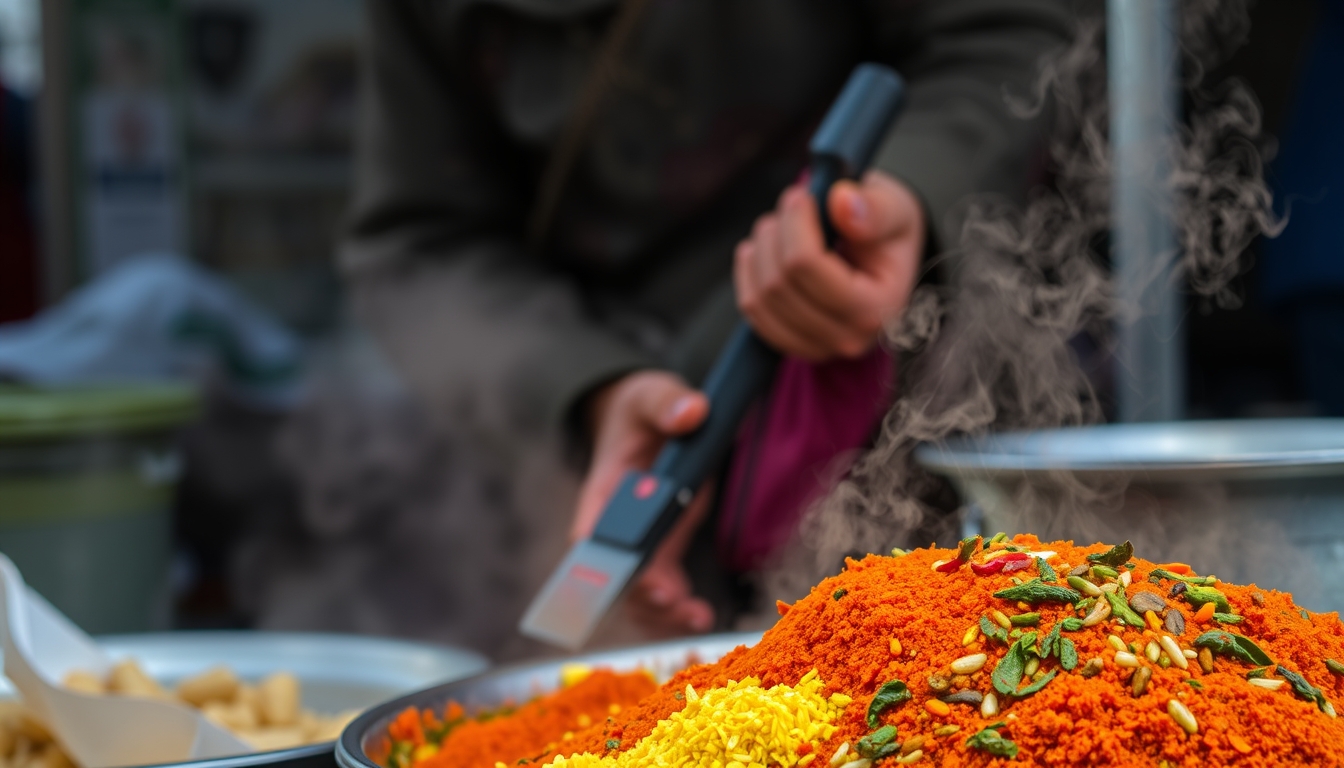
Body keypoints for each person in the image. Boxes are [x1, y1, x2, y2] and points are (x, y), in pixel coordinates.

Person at [341, 0, 1073, 646]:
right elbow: (418, 244)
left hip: (908, 424)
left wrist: (909, 192)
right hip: (574, 447)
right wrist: (585, 386)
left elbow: (1003, 32)